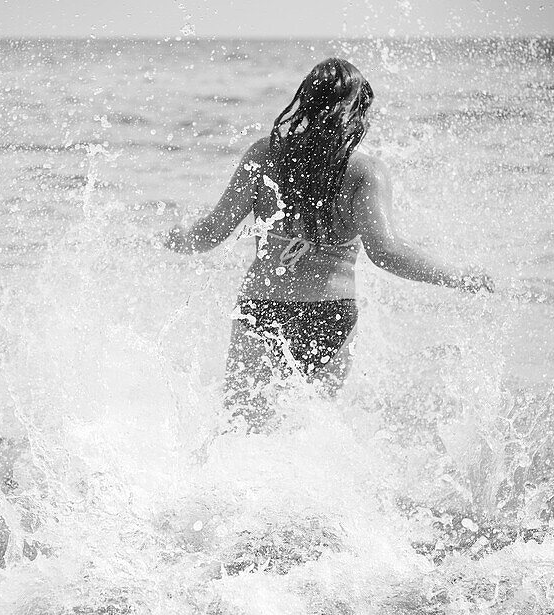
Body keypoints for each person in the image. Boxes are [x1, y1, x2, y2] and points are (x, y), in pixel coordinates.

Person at [164, 57, 493, 427]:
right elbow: (386, 252)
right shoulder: (365, 171)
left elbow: (210, 234)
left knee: (239, 428)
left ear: (305, 101)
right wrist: (459, 277)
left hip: (263, 308)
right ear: (354, 112)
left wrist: (178, 238)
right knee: (307, 436)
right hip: (329, 316)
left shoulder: (264, 155)